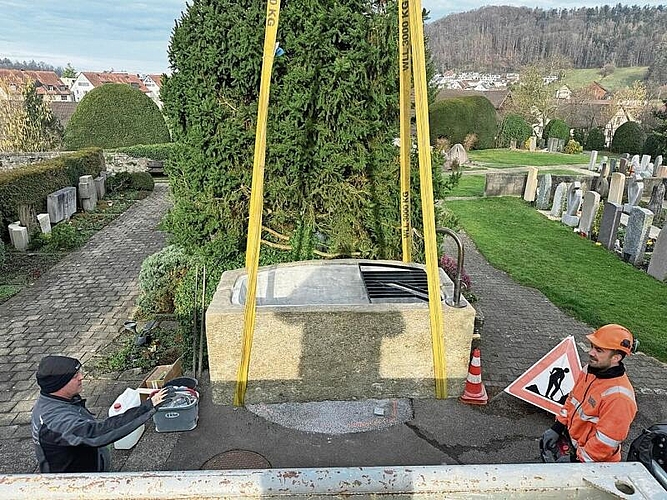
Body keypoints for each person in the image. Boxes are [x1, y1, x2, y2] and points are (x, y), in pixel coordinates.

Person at [31, 355, 171, 473]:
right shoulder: (56, 421)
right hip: (75, 485)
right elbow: (98, 433)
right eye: (74, 376)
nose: (81, 377)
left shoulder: (57, 399)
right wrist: (148, 407)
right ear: (58, 384)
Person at [541, 324, 637, 463]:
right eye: (592, 346)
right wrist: (558, 427)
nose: (591, 352)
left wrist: (576, 461)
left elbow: (605, 443)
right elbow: (572, 399)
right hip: (574, 446)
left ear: (616, 358)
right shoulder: (589, 370)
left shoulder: (619, 398)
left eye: (599, 350)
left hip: (594, 464)